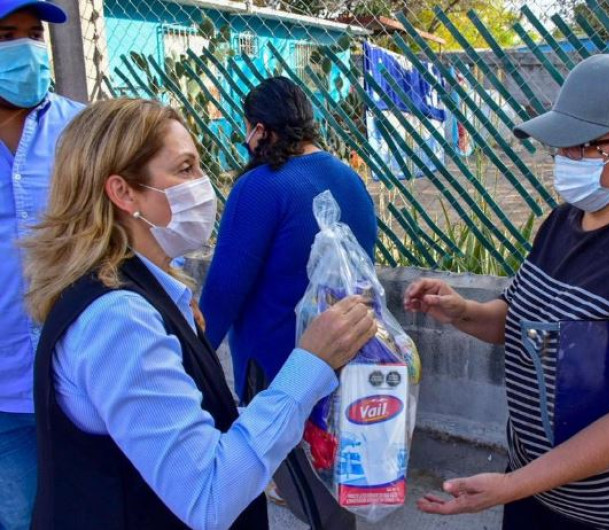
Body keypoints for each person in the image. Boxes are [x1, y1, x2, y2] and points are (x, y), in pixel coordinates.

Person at [406, 54, 609, 529]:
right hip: (539, 492)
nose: (564, 160)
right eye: (560, 147)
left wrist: (514, 486)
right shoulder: (564, 222)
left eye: (582, 147)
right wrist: (462, 312)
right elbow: (524, 320)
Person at [23, 98, 377, 530]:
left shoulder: (140, 293)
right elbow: (208, 493)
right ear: (123, 192)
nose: (203, 185)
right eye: (185, 169)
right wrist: (310, 362)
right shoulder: (119, 321)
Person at [200, 76, 377, 529]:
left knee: (313, 497)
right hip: (348, 357)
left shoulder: (260, 187)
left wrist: (192, 365)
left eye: (248, 130)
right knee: (330, 476)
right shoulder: (349, 178)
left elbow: (222, 292)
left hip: (281, 371)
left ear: (262, 130)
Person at [0, 1, 84, 528]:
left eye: (35, 33)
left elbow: (126, 225)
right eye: (6, 34)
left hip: (76, 377)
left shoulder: (81, 131)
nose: (26, 48)